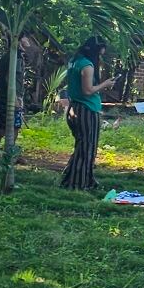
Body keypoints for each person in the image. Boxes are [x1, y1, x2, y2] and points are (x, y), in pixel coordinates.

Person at [60, 37, 116, 192]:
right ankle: (79, 183)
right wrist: (105, 84)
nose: (100, 58)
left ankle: (74, 179)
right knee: (87, 148)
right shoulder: (87, 66)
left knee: (82, 146)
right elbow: (87, 91)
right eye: (100, 54)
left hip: (75, 107)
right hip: (86, 110)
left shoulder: (74, 61)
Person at [0, 53, 24, 160]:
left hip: (5, 98)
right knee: (4, 132)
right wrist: (14, 97)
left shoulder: (6, 56)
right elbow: (8, 76)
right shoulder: (15, 56)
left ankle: (0, 163)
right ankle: (4, 162)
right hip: (11, 99)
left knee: (8, 130)